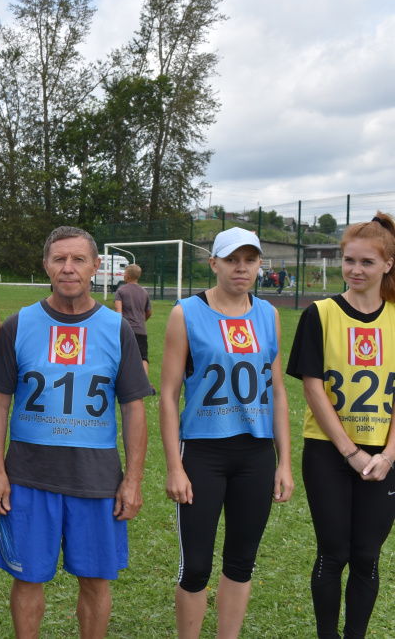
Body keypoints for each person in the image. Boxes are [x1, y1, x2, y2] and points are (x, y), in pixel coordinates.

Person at [0, 225, 150, 639]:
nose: (68, 268)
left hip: (96, 480)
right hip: (28, 477)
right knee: (27, 580)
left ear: (96, 266)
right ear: (46, 265)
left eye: (78, 259)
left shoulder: (117, 328)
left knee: (95, 583)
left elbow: (133, 408)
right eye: (59, 259)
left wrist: (133, 480)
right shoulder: (18, 325)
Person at [159, 227, 293, 639]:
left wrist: (284, 462)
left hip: (255, 454)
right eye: (232, 259)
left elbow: (277, 391)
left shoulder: (268, 314)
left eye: (250, 260)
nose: (241, 268)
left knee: (241, 562)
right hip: (203, 453)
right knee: (196, 567)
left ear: (259, 265)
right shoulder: (186, 312)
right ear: (213, 263)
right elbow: (168, 395)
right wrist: (175, 466)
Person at [287, 213, 395, 639]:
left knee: (367, 556)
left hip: (383, 457)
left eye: (367, 262)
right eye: (349, 260)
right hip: (328, 452)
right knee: (333, 554)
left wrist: (388, 455)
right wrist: (350, 451)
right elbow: (313, 388)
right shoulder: (320, 313)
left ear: (388, 264)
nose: (356, 270)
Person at [113, 263, 152, 375]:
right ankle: (145, 382)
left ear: (128, 276)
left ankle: (124, 379)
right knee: (143, 357)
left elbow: (118, 311)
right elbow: (149, 312)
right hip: (140, 330)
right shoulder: (144, 292)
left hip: (126, 330)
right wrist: (142, 321)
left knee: (123, 356)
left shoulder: (121, 291)